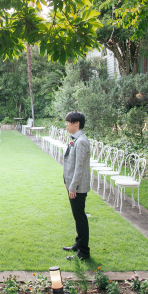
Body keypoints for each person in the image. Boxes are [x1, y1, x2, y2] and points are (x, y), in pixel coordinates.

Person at [61, 111, 91, 261]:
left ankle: (83, 252)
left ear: (76, 123)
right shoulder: (76, 140)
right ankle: (78, 244)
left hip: (78, 188)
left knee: (80, 218)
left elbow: (79, 167)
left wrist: (73, 187)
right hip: (73, 186)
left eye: (68, 122)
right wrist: (67, 183)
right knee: (77, 217)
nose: (66, 125)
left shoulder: (81, 141)